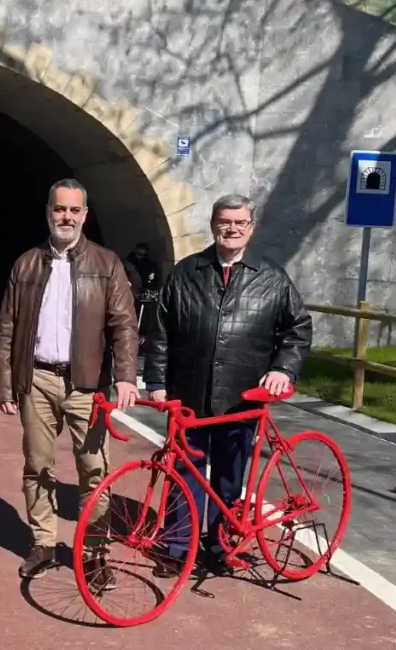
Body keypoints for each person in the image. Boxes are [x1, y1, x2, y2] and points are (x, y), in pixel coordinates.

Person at [143, 193, 312, 577]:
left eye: (240, 223)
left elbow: (297, 329)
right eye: (225, 222)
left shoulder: (271, 277)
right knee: (185, 471)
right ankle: (178, 546)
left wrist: (283, 369)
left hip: (241, 397)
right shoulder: (186, 273)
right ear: (213, 225)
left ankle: (220, 545)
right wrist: (155, 380)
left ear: (251, 228)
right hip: (188, 393)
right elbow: (160, 332)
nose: (231, 229)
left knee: (229, 476)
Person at [0, 178, 140, 588]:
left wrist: (127, 376)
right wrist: (5, 384)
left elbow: (124, 325)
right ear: (48, 211)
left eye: (75, 210)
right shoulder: (25, 264)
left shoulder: (106, 264)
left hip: (87, 385)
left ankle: (93, 552)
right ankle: (43, 543)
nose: (67, 217)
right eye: (60, 209)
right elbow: (7, 327)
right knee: (38, 465)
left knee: (95, 470)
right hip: (37, 378)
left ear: (85, 215)